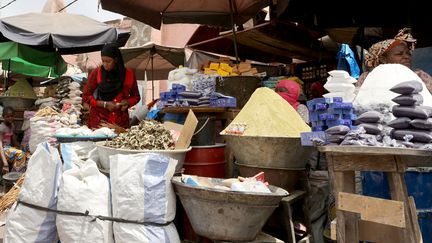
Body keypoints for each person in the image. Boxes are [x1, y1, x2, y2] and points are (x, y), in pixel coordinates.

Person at [82, 43, 141, 129]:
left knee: (118, 141)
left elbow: (136, 97)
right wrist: (104, 104)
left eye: (108, 61)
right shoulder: (97, 73)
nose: (105, 64)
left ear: (116, 60)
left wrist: (127, 102)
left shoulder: (129, 74)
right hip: (99, 121)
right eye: (103, 61)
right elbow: (86, 96)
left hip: (119, 122)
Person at [356, 28, 432, 91]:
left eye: (408, 54)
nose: (407, 57)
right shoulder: (368, 77)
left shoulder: (420, 76)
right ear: (383, 59)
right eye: (400, 54)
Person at [0, 107, 30, 175]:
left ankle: (24, 173)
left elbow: (14, 141)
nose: (10, 118)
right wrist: (5, 163)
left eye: (12, 116)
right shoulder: (2, 127)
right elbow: (0, 145)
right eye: (7, 116)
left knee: (27, 150)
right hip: (3, 149)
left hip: (9, 148)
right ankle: (16, 175)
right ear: (3, 117)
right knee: (20, 154)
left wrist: (21, 146)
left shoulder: (12, 125)